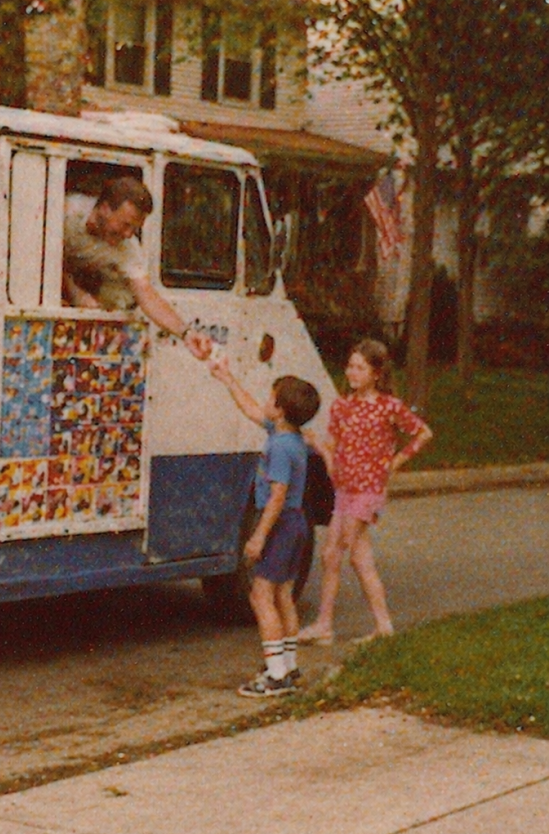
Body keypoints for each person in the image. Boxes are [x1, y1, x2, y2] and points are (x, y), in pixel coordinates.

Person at [298, 339, 433, 646]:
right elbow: (333, 449)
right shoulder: (341, 406)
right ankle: (329, 625)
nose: (352, 373)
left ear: (376, 373)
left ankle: (373, 625)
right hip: (344, 490)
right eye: (350, 366)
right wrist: (318, 445)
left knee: (351, 550)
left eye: (360, 368)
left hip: (368, 491)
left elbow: (423, 433)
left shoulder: (389, 406)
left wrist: (394, 462)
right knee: (336, 555)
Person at [209, 355, 321, 697]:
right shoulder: (289, 435)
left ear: (281, 410)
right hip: (297, 523)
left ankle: (275, 676)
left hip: (279, 524)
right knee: (283, 594)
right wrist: (227, 379)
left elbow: (277, 496)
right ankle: (288, 664)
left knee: (260, 596)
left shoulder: (281, 448)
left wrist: (258, 536)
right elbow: (251, 410)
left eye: (271, 397)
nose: (265, 401)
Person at [62, 176, 212, 359]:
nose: (128, 234)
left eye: (134, 229)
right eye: (125, 224)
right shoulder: (67, 209)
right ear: (105, 208)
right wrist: (73, 290)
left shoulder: (127, 247)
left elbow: (146, 295)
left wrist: (186, 333)